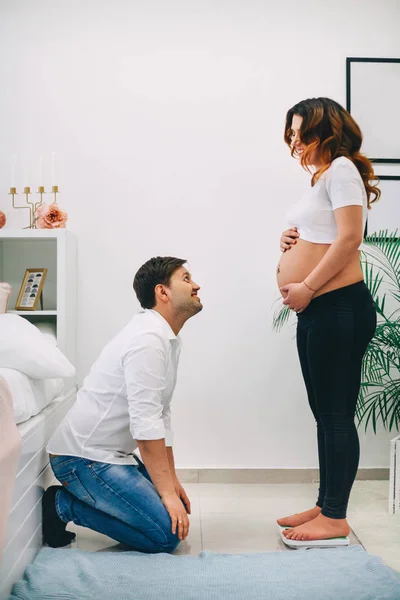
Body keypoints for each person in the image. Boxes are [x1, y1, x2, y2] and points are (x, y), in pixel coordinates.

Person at [42, 256, 202, 553]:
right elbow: (145, 423)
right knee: (166, 536)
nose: (196, 285)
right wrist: (165, 492)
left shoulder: (164, 337)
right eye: (186, 278)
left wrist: (172, 482)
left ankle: (90, 500)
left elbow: (160, 415)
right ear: (162, 292)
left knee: (171, 511)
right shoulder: (147, 339)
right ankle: (62, 506)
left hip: (109, 456)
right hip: (82, 459)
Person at [276, 97, 379, 542]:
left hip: (339, 307)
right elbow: (324, 234)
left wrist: (308, 286)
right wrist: (289, 240)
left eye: (302, 131)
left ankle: (335, 517)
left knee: (336, 416)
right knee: (325, 415)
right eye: (292, 132)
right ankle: (325, 504)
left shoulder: (341, 170)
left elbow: (351, 238)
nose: (295, 140)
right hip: (320, 310)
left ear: (327, 131)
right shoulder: (321, 177)